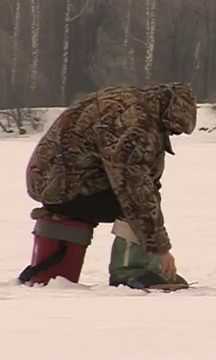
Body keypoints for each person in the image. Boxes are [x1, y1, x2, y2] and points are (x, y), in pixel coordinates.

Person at [19, 83, 197, 290]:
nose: (172, 134)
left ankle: (49, 269)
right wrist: (160, 249)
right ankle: (132, 270)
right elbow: (134, 187)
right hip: (67, 186)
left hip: (46, 181)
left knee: (132, 195)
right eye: (174, 130)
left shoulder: (130, 100)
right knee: (137, 200)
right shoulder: (136, 122)